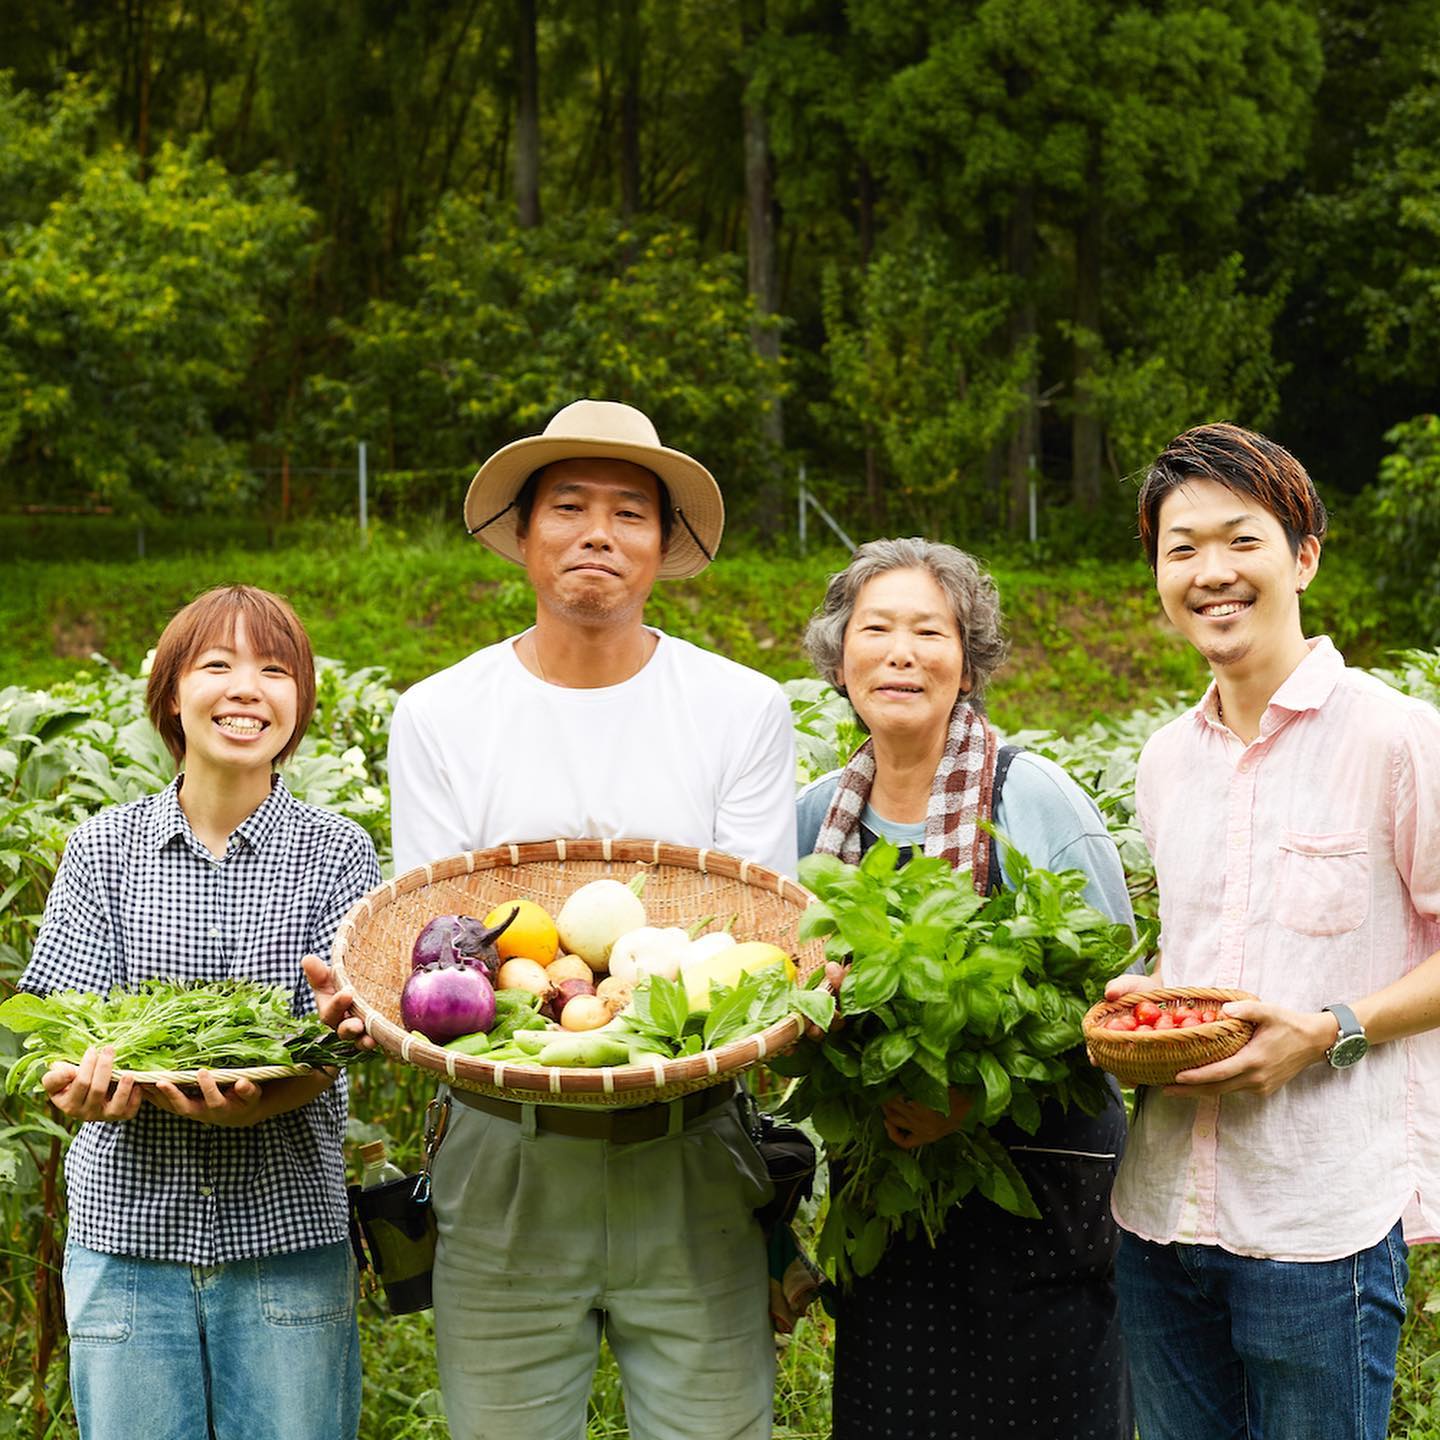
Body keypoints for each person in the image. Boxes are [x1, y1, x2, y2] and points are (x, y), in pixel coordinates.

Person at [311, 398, 797, 1440]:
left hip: (695, 1142)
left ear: (664, 546)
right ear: (523, 537)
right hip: (503, 1150)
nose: (598, 532)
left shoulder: (740, 706)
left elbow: (754, 948)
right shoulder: (442, 713)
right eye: (568, 505)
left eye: (631, 512)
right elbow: (440, 941)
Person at [1107, 421, 1440, 1440]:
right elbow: (1199, 953)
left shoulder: (1395, 738)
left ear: (1303, 555)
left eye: (1240, 539)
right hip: (1160, 1212)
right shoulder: (1167, 760)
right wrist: (1143, 1002)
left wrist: (1330, 1027)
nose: (1212, 572)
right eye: (1182, 548)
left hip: (1318, 1219)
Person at [795, 537, 1136, 1440]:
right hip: (889, 1196)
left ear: (969, 661)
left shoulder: (1034, 797)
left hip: (1041, 1189)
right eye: (876, 629)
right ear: (840, 659)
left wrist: (968, 1098)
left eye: (930, 631)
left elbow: (1105, 997)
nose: (901, 652)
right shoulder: (811, 816)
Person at [24, 585, 380, 1440]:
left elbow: (336, 1046)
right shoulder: (104, 848)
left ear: (300, 703)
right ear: (172, 694)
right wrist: (76, 1086)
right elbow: (55, 1034)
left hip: (285, 1243)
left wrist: (278, 1087)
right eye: (216, 665)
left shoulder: (339, 852)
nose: (246, 688)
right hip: (126, 1248)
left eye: (274, 669)